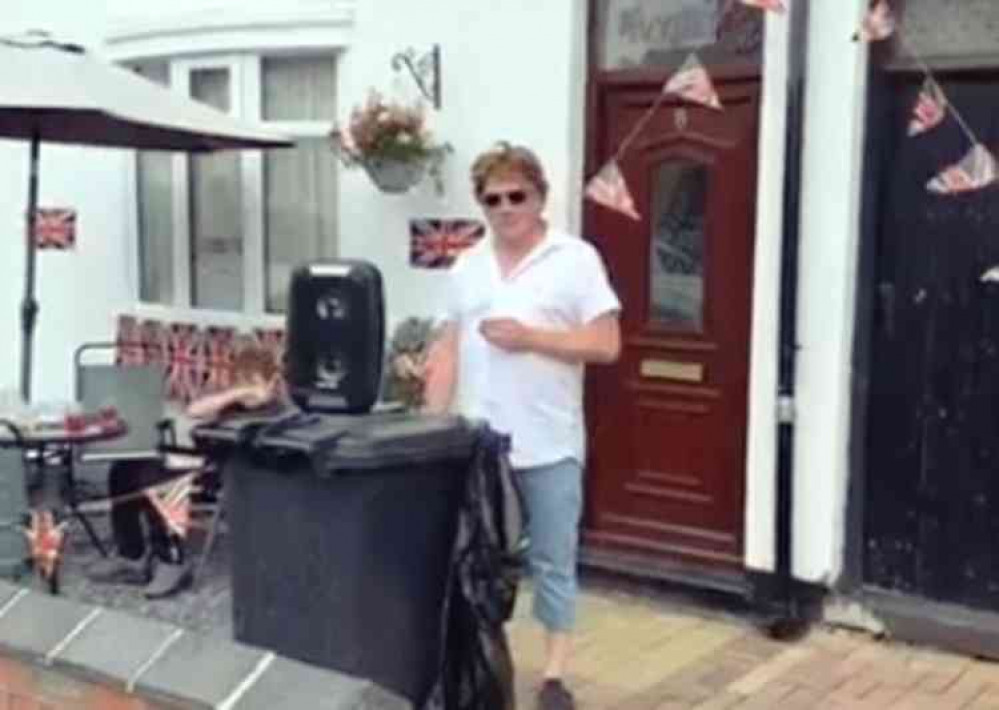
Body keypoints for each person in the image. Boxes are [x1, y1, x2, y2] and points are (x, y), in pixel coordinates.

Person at [423, 142, 621, 710]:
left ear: (539, 198)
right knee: (478, 559)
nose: (506, 207)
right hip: (480, 442)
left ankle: (555, 674)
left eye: (518, 196)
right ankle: (488, 661)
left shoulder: (575, 258)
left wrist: (531, 336)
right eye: (493, 199)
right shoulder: (467, 266)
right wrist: (433, 429)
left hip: (550, 440)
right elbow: (446, 351)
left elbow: (607, 345)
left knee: (553, 560)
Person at [87, 345, 281, 598]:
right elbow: (195, 410)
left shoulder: (273, 410)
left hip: (225, 473)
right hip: (196, 461)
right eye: (240, 380)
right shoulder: (233, 404)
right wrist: (238, 392)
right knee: (123, 470)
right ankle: (131, 556)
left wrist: (257, 394)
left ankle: (172, 560)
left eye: (252, 381)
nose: (245, 388)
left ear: (270, 381)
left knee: (156, 480)